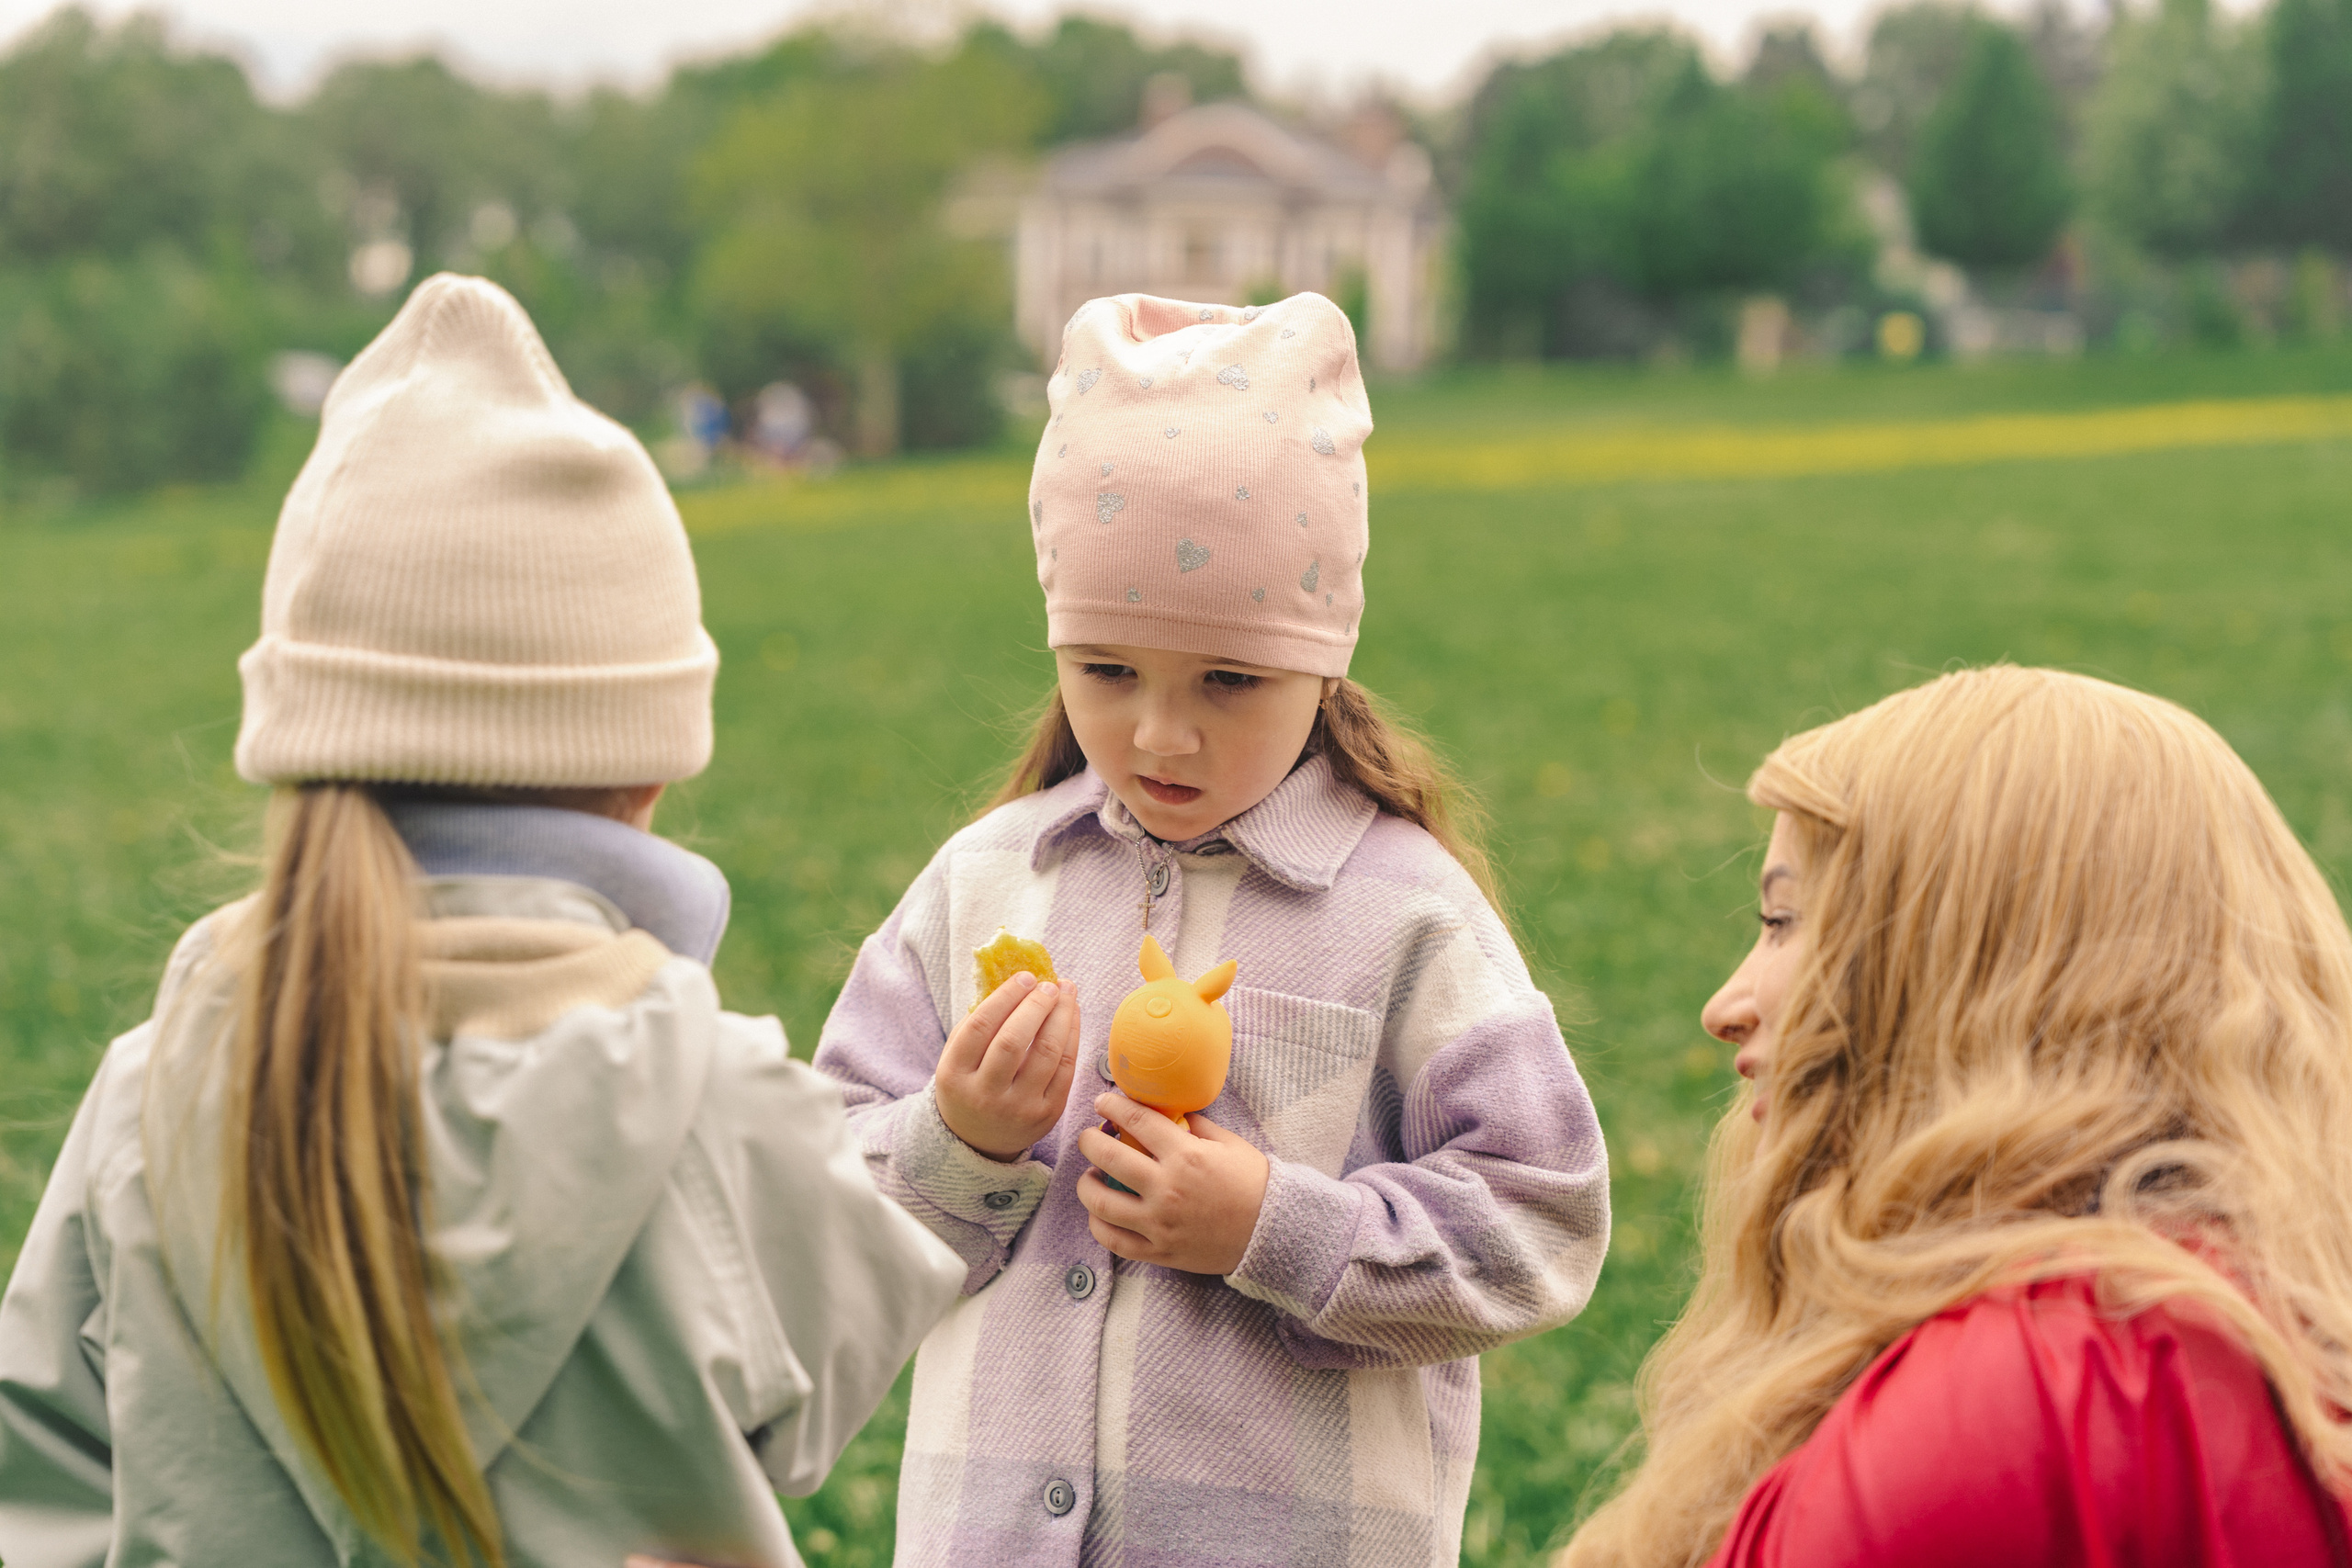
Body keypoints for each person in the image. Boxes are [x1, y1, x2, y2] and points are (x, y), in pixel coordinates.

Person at [0, 275, 964, 1568]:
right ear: (644, 767)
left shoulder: (154, 1092)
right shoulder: (706, 1096)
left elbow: (45, 1472)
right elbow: (821, 1383)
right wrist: (971, 1150)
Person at [812, 291, 1611, 1567]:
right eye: (1108, 671)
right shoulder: (982, 885)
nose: (1158, 735)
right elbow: (822, 1207)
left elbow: (1541, 1222)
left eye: (1228, 681)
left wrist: (1269, 1226)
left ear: (1324, 663)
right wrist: (957, 1140)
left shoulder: (1407, 913)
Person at [1562, 666, 2352, 1568]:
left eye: (1784, 920)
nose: (1726, 1002)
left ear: (1974, 975)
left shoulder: (2011, 1406)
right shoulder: (2271, 1313)